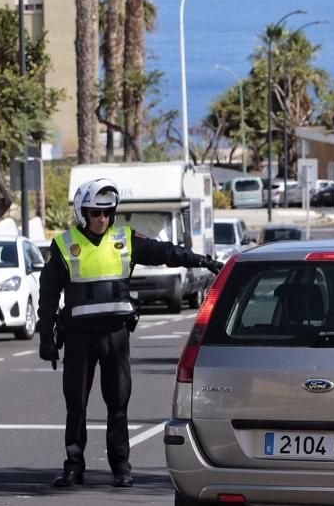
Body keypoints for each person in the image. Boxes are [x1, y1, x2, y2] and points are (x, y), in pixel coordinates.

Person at [37, 178, 223, 489]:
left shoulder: (124, 238)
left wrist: (201, 261)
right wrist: (45, 337)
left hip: (115, 336)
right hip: (79, 338)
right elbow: (47, 295)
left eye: (108, 213)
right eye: (96, 213)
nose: (102, 219)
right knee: (76, 404)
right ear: (82, 213)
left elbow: (165, 252)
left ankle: (121, 467)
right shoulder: (63, 245)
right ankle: (73, 467)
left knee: (118, 403)